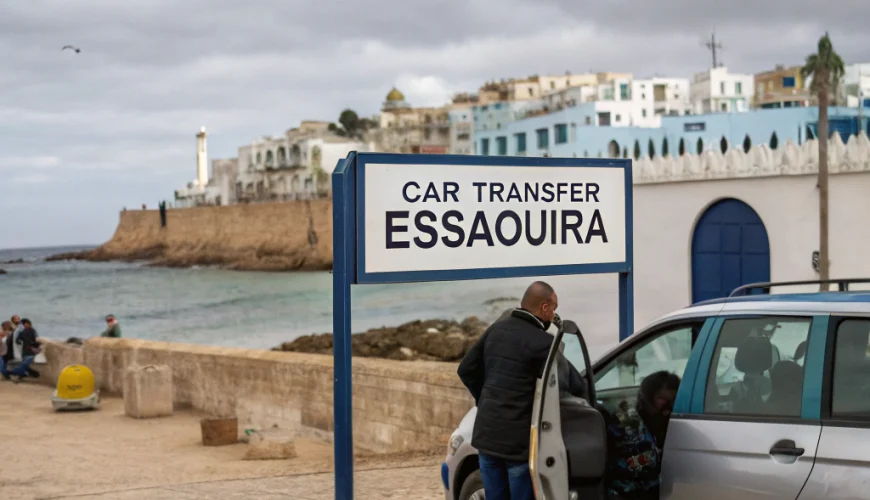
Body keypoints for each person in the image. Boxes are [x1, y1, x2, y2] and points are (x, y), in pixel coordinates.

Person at [458, 281, 577, 500]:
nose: (554, 315)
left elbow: (466, 369)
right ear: (544, 307)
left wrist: (484, 400)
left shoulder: (496, 330)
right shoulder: (544, 343)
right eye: (554, 309)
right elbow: (573, 384)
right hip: (517, 445)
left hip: (487, 437)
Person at [604, 371, 681, 500]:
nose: (669, 405)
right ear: (648, 399)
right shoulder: (625, 424)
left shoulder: (674, 421)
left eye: (674, 400)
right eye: (663, 399)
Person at [6, 318, 42, 382]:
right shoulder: (21, 332)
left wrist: (36, 344)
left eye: (28, 324)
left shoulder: (32, 331)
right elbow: (17, 340)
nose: (26, 325)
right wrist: (19, 342)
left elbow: (34, 340)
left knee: (26, 362)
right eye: (25, 324)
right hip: (25, 349)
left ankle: (23, 375)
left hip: (30, 349)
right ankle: (24, 375)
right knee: (25, 362)